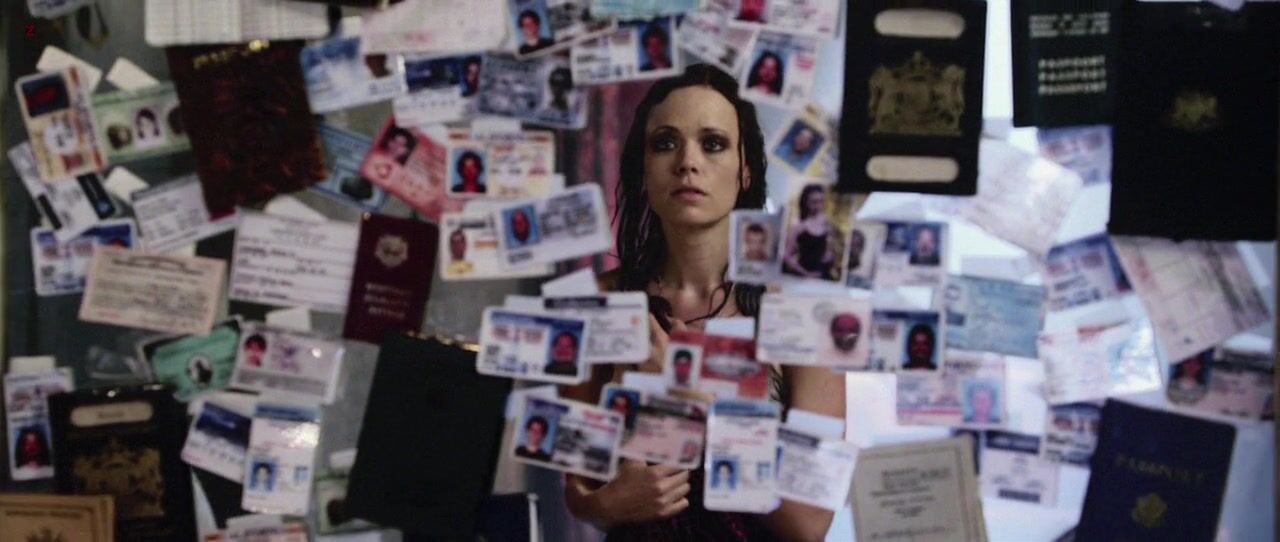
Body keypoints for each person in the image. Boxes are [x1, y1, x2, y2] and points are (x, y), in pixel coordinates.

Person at [562, 64, 842, 541]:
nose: (687, 162)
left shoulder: (806, 319)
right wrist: (606, 504)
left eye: (712, 144)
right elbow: (579, 487)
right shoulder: (597, 303)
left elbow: (809, 523)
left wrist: (688, 394)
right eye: (665, 143)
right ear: (643, 169)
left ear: (745, 169)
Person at [782, 184, 838, 280]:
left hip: (824, 274)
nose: (818, 206)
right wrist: (806, 274)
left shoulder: (827, 222)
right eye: (814, 202)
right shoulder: (798, 226)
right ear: (806, 202)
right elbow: (786, 256)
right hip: (804, 274)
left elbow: (832, 248)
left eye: (821, 201)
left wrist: (830, 255)